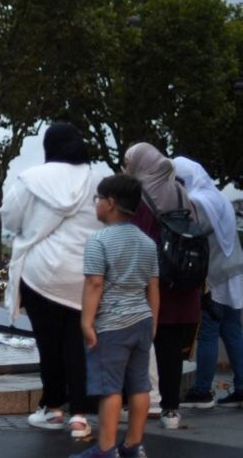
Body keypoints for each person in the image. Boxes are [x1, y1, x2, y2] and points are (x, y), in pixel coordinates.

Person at [0, 122, 101, 438]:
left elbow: (10, 218)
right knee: (77, 343)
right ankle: (81, 416)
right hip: (85, 273)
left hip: (40, 275)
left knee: (49, 345)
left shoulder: (31, 180)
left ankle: (53, 407)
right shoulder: (98, 178)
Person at [73, 174, 159, 458]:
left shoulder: (98, 240)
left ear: (110, 203)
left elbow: (94, 283)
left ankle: (106, 450)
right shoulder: (147, 242)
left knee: (109, 389)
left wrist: (86, 321)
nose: (95, 204)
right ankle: (133, 446)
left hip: (111, 324)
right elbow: (153, 287)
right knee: (139, 386)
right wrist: (153, 322)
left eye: (97, 199)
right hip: (142, 321)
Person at [124, 142, 202, 429]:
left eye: (128, 163)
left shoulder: (139, 196)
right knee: (172, 353)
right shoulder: (182, 192)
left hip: (155, 285)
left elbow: (135, 239)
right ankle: (171, 410)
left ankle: (144, 403)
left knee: (145, 348)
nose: (125, 168)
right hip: (184, 284)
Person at [174, 156, 243, 409]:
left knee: (209, 330)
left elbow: (191, 230)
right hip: (234, 268)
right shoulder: (218, 196)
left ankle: (201, 391)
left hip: (215, 274)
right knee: (232, 330)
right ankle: (242, 387)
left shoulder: (199, 202)